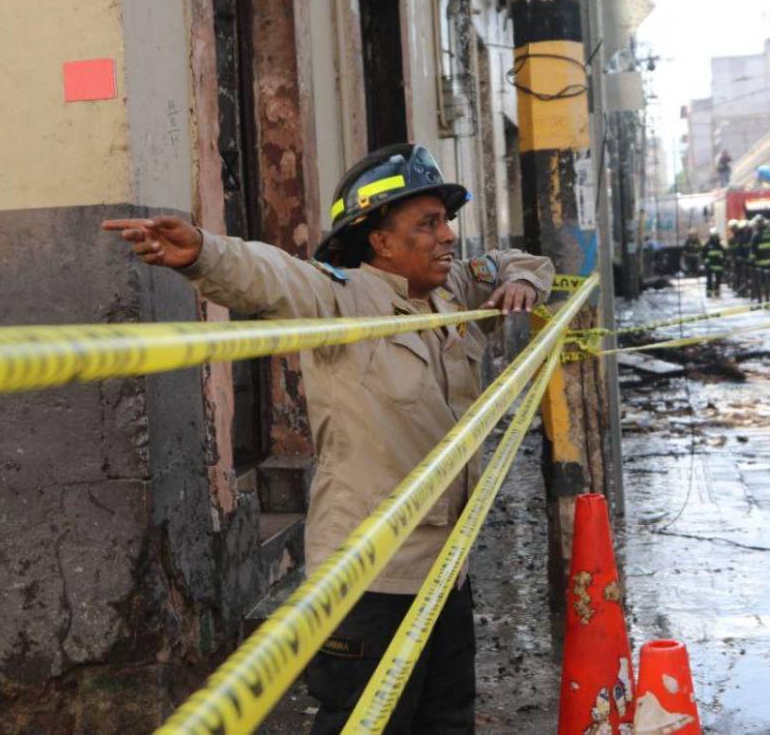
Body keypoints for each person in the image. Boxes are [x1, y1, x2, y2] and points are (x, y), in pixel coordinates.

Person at [103, 144, 554, 732]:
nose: (447, 236)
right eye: (427, 224)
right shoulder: (341, 298)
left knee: (446, 721)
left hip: (448, 570)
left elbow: (520, 262)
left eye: (446, 221)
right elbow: (273, 276)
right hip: (370, 580)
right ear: (379, 241)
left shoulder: (450, 294)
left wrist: (522, 282)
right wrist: (203, 254)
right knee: (365, 722)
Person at [703, 228, 726, 298]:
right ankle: (709, 293)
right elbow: (704, 254)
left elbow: (724, 254)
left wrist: (723, 261)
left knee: (718, 280)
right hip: (710, 266)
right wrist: (706, 262)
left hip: (718, 266)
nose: (715, 238)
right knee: (709, 280)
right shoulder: (707, 245)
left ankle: (717, 292)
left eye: (716, 236)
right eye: (714, 236)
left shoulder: (720, 245)